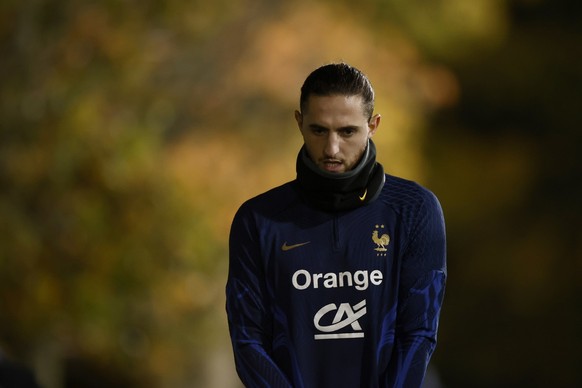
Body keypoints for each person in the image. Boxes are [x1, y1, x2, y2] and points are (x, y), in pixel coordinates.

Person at [226, 63, 446, 388]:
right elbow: (248, 341)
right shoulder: (258, 220)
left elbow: (418, 333)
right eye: (318, 130)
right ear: (299, 123)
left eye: (347, 132)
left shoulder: (415, 209)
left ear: (373, 125)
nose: (332, 148)